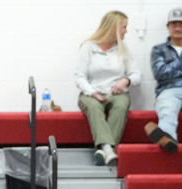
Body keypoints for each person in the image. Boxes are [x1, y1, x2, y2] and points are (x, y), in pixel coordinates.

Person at [75, 11, 141, 165]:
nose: (126, 31)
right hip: (91, 93)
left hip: (116, 94)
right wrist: (92, 92)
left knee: (121, 105)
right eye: (124, 27)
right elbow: (79, 76)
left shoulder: (123, 49)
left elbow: (136, 74)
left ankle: (102, 149)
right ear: (114, 28)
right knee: (94, 107)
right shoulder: (88, 47)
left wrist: (126, 80)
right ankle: (109, 149)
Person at [145, 7, 182, 153]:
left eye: (181, 23)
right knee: (167, 111)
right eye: (174, 24)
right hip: (169, 90)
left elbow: (167, 71)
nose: (178, 28)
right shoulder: (158, 50)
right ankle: (168, 140)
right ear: (168, 27)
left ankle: (160, 134)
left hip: (170, 84)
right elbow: (160, 74)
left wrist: (172, 67)